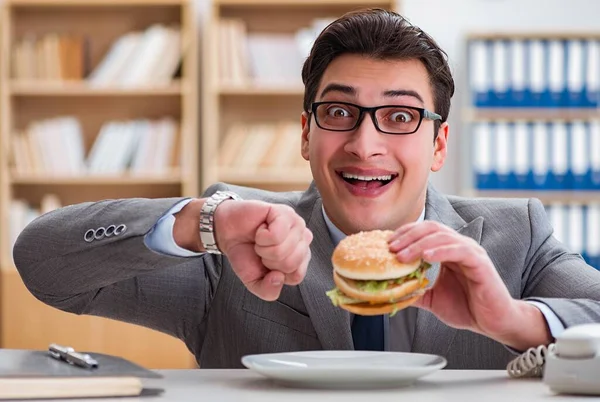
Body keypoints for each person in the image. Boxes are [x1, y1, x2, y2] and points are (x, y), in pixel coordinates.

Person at [13, 8, 600, 370]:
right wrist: (199, 222)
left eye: (398, 117)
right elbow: (42, 264)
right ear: (306, 132)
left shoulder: (515, 236)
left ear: (439, 144)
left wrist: (517, 322)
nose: (365, 144)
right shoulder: (239, 240)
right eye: (340, 112)